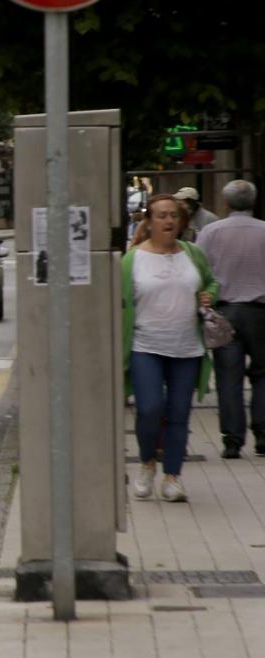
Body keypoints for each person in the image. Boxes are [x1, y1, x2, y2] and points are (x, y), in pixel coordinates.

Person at [123, 194, 218, 503]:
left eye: (173, 216)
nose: (168, 221)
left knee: (179, 414)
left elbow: (210, 283)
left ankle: (172, 477)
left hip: (186, 348)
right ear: (148, 222)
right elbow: (120, 302)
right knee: (150, 409)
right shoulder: (132, 258)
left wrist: (208, 296)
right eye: (161, 216)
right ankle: (148, 462)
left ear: (181, 222)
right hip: (145, 346)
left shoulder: (193, 253)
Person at [197, 179, 265, 458]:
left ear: (225, 204)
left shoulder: (211, 232)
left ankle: (232, 440)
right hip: (260, 312)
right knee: (263, 375)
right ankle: (263, 435)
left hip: (224, 311)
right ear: (254, 201)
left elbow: (199, 268)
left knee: (228, 377)